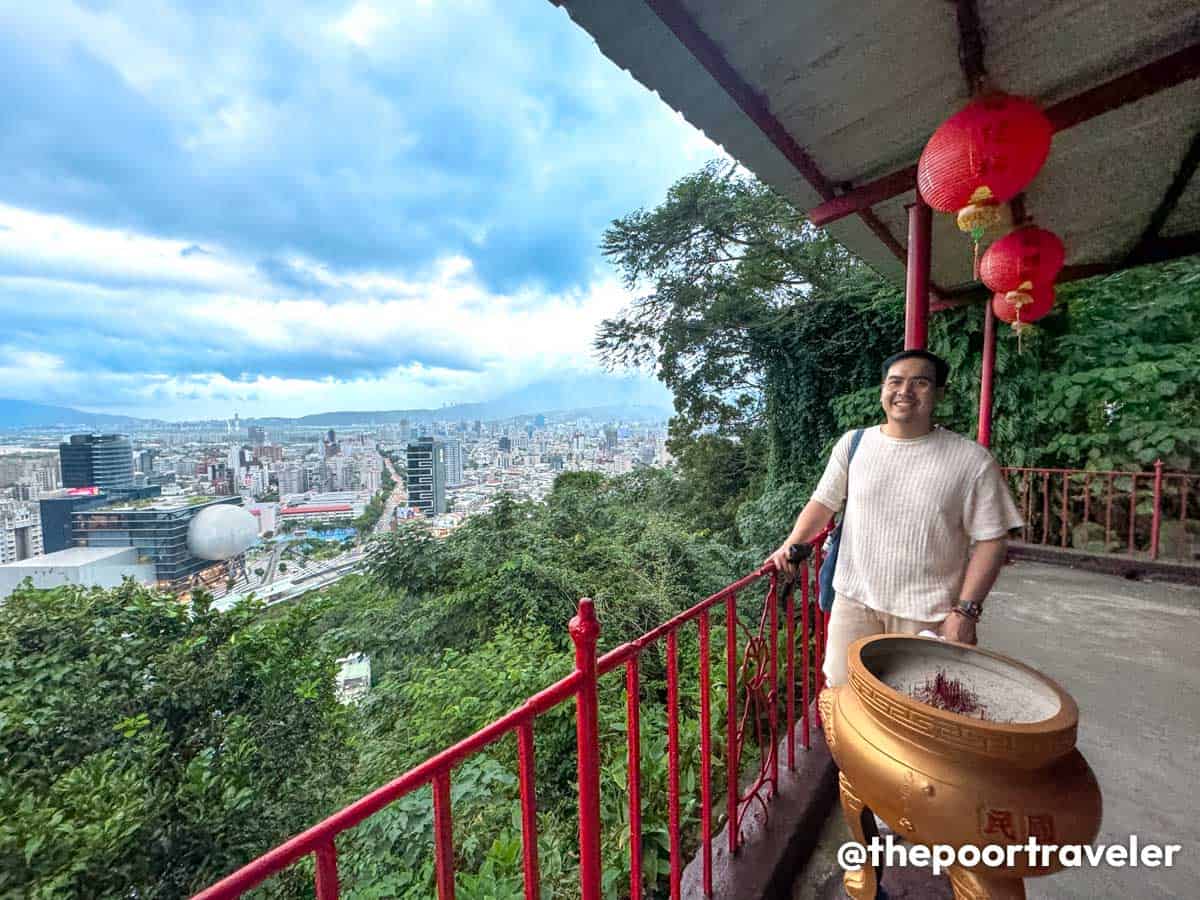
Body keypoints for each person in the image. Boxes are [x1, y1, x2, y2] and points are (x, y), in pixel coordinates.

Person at [765, 349, 1023, 688]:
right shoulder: (854, 444)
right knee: (843, 691)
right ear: (883, 390)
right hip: (854, 601)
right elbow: (823, 503)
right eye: (895, 382)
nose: (905, 391)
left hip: (927, 613)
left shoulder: (970, 460)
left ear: (939, 393)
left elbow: (992, 539)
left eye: (920, 383)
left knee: (919, 708)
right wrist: (791, 543)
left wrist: (966, 612)